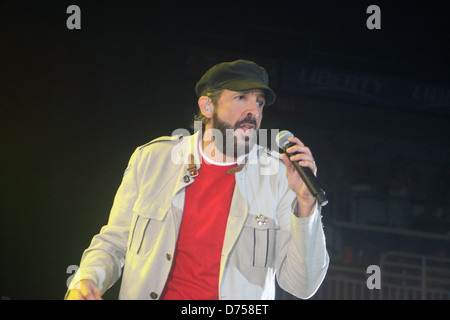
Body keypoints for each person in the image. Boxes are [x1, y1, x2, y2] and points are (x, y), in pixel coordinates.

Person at [66, 60, 329, 300]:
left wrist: (306, 204)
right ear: (207, 106)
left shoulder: (279, 176)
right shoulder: (152, 159)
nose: (253, 110)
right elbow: (115, 241)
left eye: (259, 102)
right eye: (241, 97)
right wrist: (87, 279)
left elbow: (302, 286)